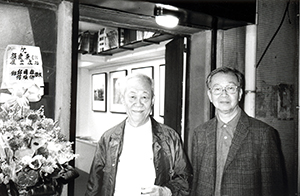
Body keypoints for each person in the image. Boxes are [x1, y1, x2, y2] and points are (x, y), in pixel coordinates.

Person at [85, 73, 191, 196]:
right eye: (132, 97)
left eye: (144, 97)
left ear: (153, 100)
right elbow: (94, 185)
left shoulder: (170, 137)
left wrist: (165, 191)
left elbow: (185, 179)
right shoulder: (108, 138)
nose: (138, 103)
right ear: (123, 99)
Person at [190, 67, 287, 196]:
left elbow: (272, 189)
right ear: (210, 95)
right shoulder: (200, 133)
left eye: (230, 88)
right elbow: (196, 183)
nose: (224, 94)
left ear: (240, 93)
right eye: (217, 89)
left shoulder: (264, 134)